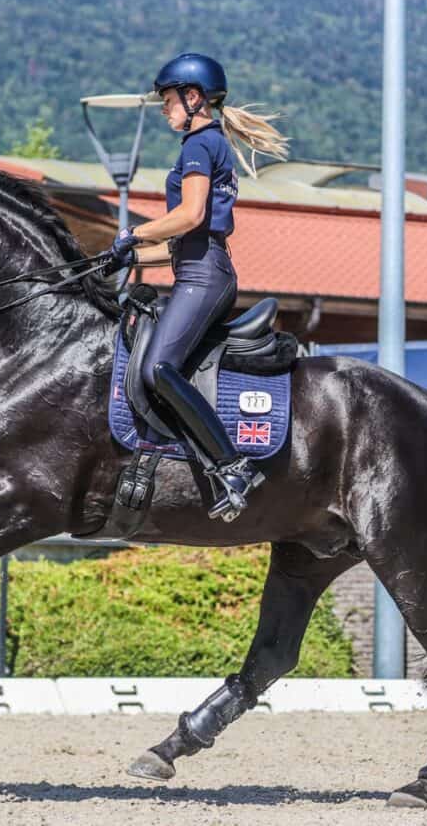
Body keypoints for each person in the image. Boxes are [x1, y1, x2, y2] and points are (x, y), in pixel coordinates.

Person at [105, 52, 290, 521]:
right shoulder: (208, 143)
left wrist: (133, 233)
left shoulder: (197, 146)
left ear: (193, 98)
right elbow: (180, 245)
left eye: (168, 100)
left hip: (204, 277)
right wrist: (126, 255)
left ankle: (232, 465)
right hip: (198, 269)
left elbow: (188, 216)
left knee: (160, 368)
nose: (165, 109)